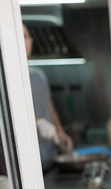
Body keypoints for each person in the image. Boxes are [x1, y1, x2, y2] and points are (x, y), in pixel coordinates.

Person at [23, 23, 73, 170]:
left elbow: (50, 108)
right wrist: (37, 122)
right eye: (16, 36)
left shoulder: (39, 75)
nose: (21, 41)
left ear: (31, 41)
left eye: (25, 36)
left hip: (50, 157)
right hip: (28, 166)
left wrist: (60, 131)